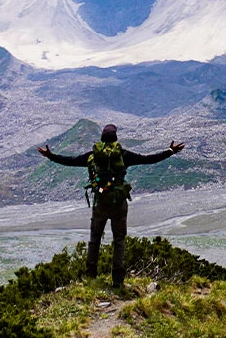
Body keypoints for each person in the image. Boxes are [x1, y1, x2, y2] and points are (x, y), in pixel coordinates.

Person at [38, 123, 185, 288]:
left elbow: (70, 161)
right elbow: (148, 159)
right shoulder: (123, 155)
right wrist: (170, 151)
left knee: (94, 240)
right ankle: (117, 281)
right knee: (119, 241)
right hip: (119, 204)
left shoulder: (93, 156)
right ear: (116, 138)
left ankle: (90, 278)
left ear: (101, 138)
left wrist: (50, 155)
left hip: (100, 203)